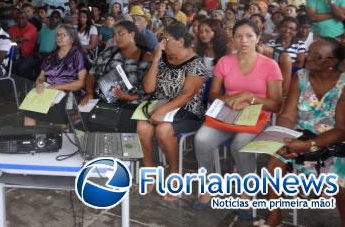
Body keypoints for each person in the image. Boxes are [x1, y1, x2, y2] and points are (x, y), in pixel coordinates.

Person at [194, 19, 283, 215]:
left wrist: (250, 97)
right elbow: (213, 94)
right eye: (239, 36)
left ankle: (247, 192)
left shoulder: (270, 65)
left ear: (257, 38)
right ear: (232, 39)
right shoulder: (225, 62)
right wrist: (229, 97)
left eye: (249, 36)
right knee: (201, 139)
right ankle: (208, 185)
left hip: (257, 116)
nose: (244, 40)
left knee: (240, 145)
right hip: (227, 113)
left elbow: (276, 104)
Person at [259, 38, 345, 227]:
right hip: (301, 135)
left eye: (316, 55)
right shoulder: (301, 77)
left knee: (340, 180)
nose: (308, 57)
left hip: (335, 141)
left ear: (331, 62)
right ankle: (274, 216)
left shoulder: (343, 83)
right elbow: (288, 115)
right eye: (309, 52)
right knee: (276, 160)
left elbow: (341, 129)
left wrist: (309, 146)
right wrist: (283, 137)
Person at [137, 23, 208, 191]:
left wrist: (162, 111)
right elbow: (148, 88)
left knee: (163, 130)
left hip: (188, 110)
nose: (162, 43)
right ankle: (150, 171)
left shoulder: (196, 63)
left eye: (166, 39)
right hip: (161, 105)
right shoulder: (162, 59)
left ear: (181, 41)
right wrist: (155, 60)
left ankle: (174, 174)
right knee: (142, 127)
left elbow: (187, 95)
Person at [23, 25, 88, 126]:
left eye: (64, 35)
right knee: (29, 113)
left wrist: (56, 87)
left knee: (59, 113)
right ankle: (33, 138)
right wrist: (39, 83)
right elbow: (41, 76)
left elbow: (80, 83)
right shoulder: (51, 56)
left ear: (72, 39)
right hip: (49, 91)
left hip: (69, 93)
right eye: (58, 35)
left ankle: (62, 135)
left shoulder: (77, 54)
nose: (59, 37)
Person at [82, 21, 149, 110]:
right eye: (114, 34)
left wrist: (129, 97)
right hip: (99, 102)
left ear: (132, 35)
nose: (116, 37)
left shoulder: (146, 58)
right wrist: (89, 93)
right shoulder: (109, 51)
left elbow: (149, 91)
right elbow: (92, 73)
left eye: (121, 34)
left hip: (128, 107)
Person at [261, 17, 306, 93]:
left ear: (295, 31)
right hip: (272, 74)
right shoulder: (271, 43)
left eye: (292, 28)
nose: (287, 30)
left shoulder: (300, 44)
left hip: (292, 75)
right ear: (280, 28)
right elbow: (266, 61)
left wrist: (284, 65)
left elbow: (300, 64)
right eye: (284, 27)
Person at [9, 10, 39, 80]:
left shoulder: (32, 28)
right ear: (15, 19)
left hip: (31, 55)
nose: (20, 20)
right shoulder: (12, 28)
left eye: (23, 18)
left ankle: (27, 86)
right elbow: (9, 40)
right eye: (18, 18)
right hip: (16, 55)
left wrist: (14, 40)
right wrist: (14, 41)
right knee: (10, 65)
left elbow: (20, 39)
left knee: (21, 68)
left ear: (27, 19)